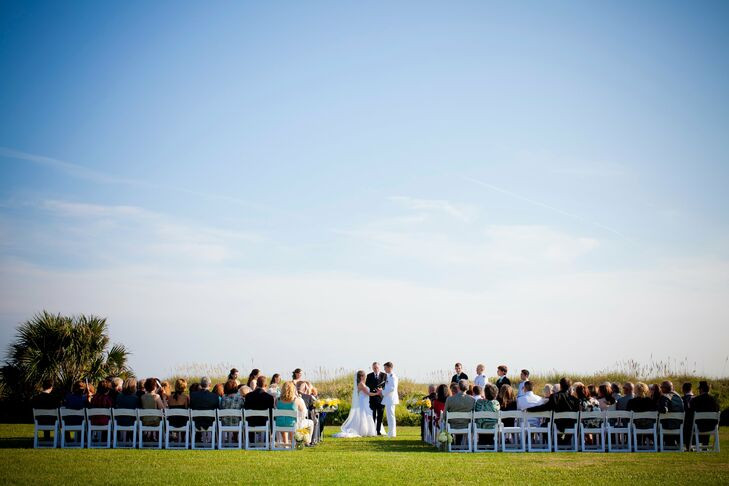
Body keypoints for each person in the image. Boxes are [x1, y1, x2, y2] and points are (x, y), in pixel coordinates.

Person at [333, 370, 378, 438]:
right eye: (364, 376)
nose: (366, 377)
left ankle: (368, 431)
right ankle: (362, 431)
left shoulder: (363, 383)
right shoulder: (361, 384)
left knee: (366, 415)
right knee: (363, 416)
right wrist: (377, 393)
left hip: (365, 402)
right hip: (362, 402)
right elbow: (368, 393)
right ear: (361, 376)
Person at [689, 381, 719, 447]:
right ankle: (705, 444)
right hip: (712, 427)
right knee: (708, 421)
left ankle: (690, 444)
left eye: (699, 389)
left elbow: (690, 412)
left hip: (699, 426)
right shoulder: (714, 400)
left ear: (701, 389)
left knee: (692, 421)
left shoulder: (695, 400)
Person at [445, 379, 475, 444]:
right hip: (466, 425)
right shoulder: (472, 400)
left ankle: (452, 442)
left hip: (452, 425)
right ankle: (457, 443)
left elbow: (445, 415)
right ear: (467, 388)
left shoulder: (450, 399)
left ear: (458, 387)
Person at [365, 362, 387, 435]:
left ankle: (378, 431)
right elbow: (367, 385)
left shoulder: (384, 375)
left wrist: (381, 389)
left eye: (377, 367)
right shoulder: (369, 375)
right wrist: (375, 389)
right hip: (372, 398)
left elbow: (386, 386)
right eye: (374, 368)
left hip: (381, 398)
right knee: (373, 415)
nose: (375, 369)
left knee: (380, 415)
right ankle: (372, 431)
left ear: (379, 368)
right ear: (372, 368)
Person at [381, 361, 399, 438]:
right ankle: (390, 433)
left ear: (389, 368)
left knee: (391, 416)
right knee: (389, 416)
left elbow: (392, 388)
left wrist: (382, 392)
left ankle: (392, 433)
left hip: (391, 399)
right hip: (388, 399)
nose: (384, 369)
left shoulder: (393, 377)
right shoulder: (388, 376)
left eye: (385, 368)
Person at [682, 382, 694, 451]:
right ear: (691, 389)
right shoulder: (696, 399)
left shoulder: (681, 399)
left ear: (683, 390)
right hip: (695, 424)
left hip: (684, 425)